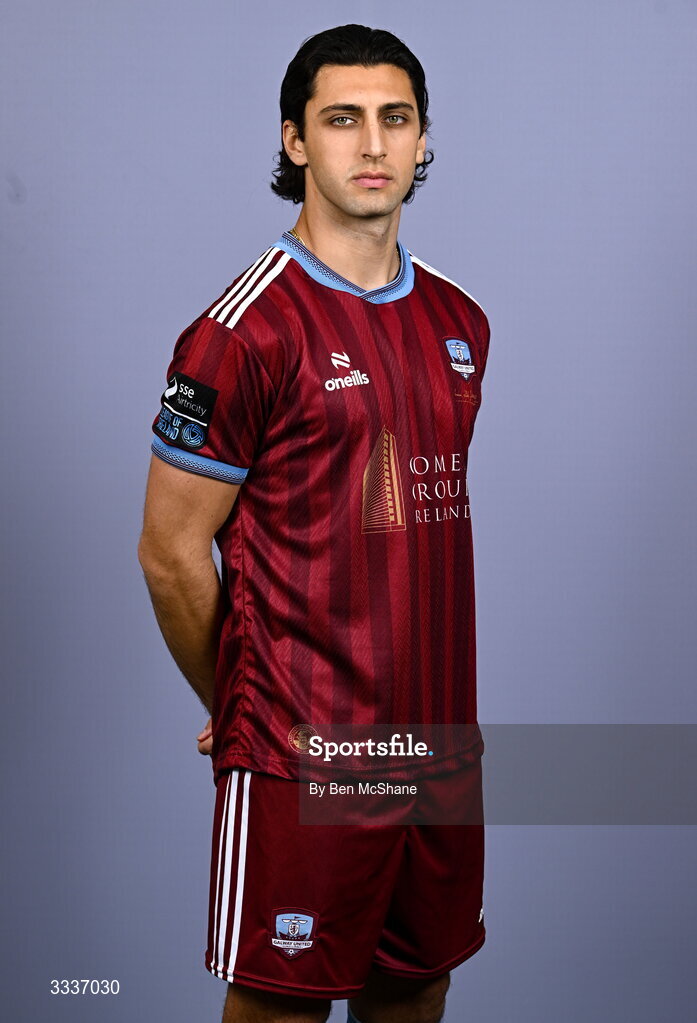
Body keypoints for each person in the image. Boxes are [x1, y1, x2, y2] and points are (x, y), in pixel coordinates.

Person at [138, 23, 491, 1023]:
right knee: (281, 1009)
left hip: (436, 754)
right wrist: (246, 702)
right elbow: (169, 555)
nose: (371, 145)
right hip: (303, 763)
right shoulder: (240, 332)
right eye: (342, 120)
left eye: (395, 119)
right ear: (295, 141)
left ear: (424, 140)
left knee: (416, 993)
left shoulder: (460, 322)